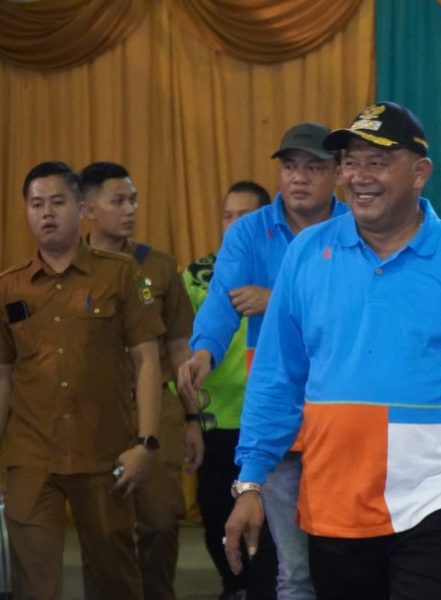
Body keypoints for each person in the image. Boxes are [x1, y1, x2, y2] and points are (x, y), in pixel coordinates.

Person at [222, 101, 441, 600]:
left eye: (377, 161)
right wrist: (251, 480)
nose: (359, 176)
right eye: (351, 162)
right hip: (335, 499)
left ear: (420, 173)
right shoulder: (307, 254)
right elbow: (276, 377)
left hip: (434, 500)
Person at [179, 122, 347, 600]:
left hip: (343, 413)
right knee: (291, 571)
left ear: (336, 173)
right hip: (277, 409)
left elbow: (352, 310)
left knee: (345, 560)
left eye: (313, 167)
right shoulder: (251, 232)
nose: (298, 177)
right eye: (290, 166)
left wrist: (274, 299)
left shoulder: (354, 228)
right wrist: (204, 349)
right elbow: (221, 299)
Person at [0, 161, 164, 600]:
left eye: (57, 202)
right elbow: (4, 374)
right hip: (31, 457)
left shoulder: (122, 274)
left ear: (80, 208)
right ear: (26, 212)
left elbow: (147, 359)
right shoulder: (10, 288)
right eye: (37, 204)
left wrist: (146, 442)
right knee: (34, 583)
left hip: (104, 454)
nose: (47, 212)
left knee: (115, 579)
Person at [80, 161, 202, 600]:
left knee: (161, 519)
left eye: (133, 199)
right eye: (119, 200)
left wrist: (193, 419)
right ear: (89, 209)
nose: (130, 208)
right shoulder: (72, 269)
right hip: (96, 414)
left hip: (159, 411)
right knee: (104, 527)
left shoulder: (161, 267)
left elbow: (179, 349)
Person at [183, 180, 273, 600]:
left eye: (245, 216)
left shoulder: (289, 266)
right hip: (219, 418)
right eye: (227, 215)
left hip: (272, 419)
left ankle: (263, 588)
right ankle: (234, 585)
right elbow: (180, 345)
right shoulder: (199, 274)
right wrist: (188, 415)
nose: (235, 224)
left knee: (271, 519)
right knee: (217, 510)